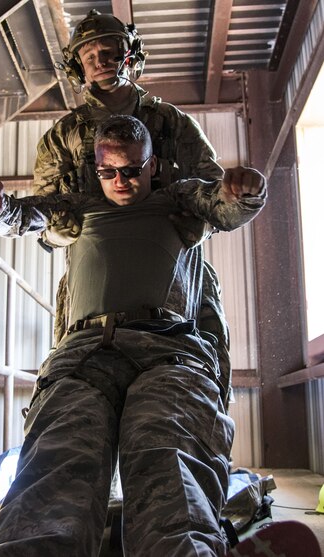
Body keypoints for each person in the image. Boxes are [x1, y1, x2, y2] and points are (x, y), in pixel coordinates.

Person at [0, 115, 266, 556]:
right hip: (85, 354)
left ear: (153, 165)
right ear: (96, 168)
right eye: (109, 171)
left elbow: (221, 206)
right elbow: (25, 216)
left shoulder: (177, 200)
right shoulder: (79, 207)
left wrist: (245, 191)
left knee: (170, 457)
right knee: (56, 460)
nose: (121, 180)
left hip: (169, 351)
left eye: (132, 169)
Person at [35, 9, 234, 407]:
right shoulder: (62, 138)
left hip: (173, 270)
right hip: (95, 277)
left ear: (131, 55)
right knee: (76, 385)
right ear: (78, 67)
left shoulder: (171, 124)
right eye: (90, 55)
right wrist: (58, 230)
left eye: (110, 50)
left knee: (200, 383)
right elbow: (45, 215)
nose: (101, 60)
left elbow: (213, 193)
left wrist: (200, 227)